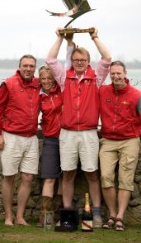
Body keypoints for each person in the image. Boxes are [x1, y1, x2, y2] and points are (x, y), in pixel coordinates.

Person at [46, 27, 112, 228]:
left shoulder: (96, 78)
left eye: (83, 60)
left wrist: (94, 37)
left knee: (92, 174)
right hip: (67, 133)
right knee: (68, 173)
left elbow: (107, 58)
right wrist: (59, 37)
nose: (79, 63)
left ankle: (97, 214)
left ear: (88, 61)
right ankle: (66, 214)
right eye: (76, 60)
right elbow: (50, 59)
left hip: (89, 133)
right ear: (72, 62)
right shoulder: (65, 78)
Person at [99, 60, 141, 231]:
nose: (116, 76)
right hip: (108, 140)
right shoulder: (102, 91)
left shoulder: (136, 95)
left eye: (119, 73)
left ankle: (120, 217)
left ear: (125, 73)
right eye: (113, 73)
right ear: (110, 74)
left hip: (129, 140)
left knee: (125, 179)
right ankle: (112, 213)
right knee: (105, 177)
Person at [0, 55, 40, 226]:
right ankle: (8, 217)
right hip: (11, 137)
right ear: (19, 67)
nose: (28, 68)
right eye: (25, 65)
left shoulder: (38, 84)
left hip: (31, 138)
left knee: (27, 178)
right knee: (9, 177)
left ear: (35, 68)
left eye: (31, 66)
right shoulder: (9, 83)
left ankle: (20, 217)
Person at [36, 35, 75, 227]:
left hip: (68, 138)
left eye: (50, 78)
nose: (46, 81)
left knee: (65, 177)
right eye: (43, 78)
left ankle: (60, 217)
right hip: (51, 139)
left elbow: (67, 64)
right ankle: (45, 218)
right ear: (39, 80)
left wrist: (68, 43)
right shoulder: (39, 96)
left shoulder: (62, 88)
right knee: (50, 177)